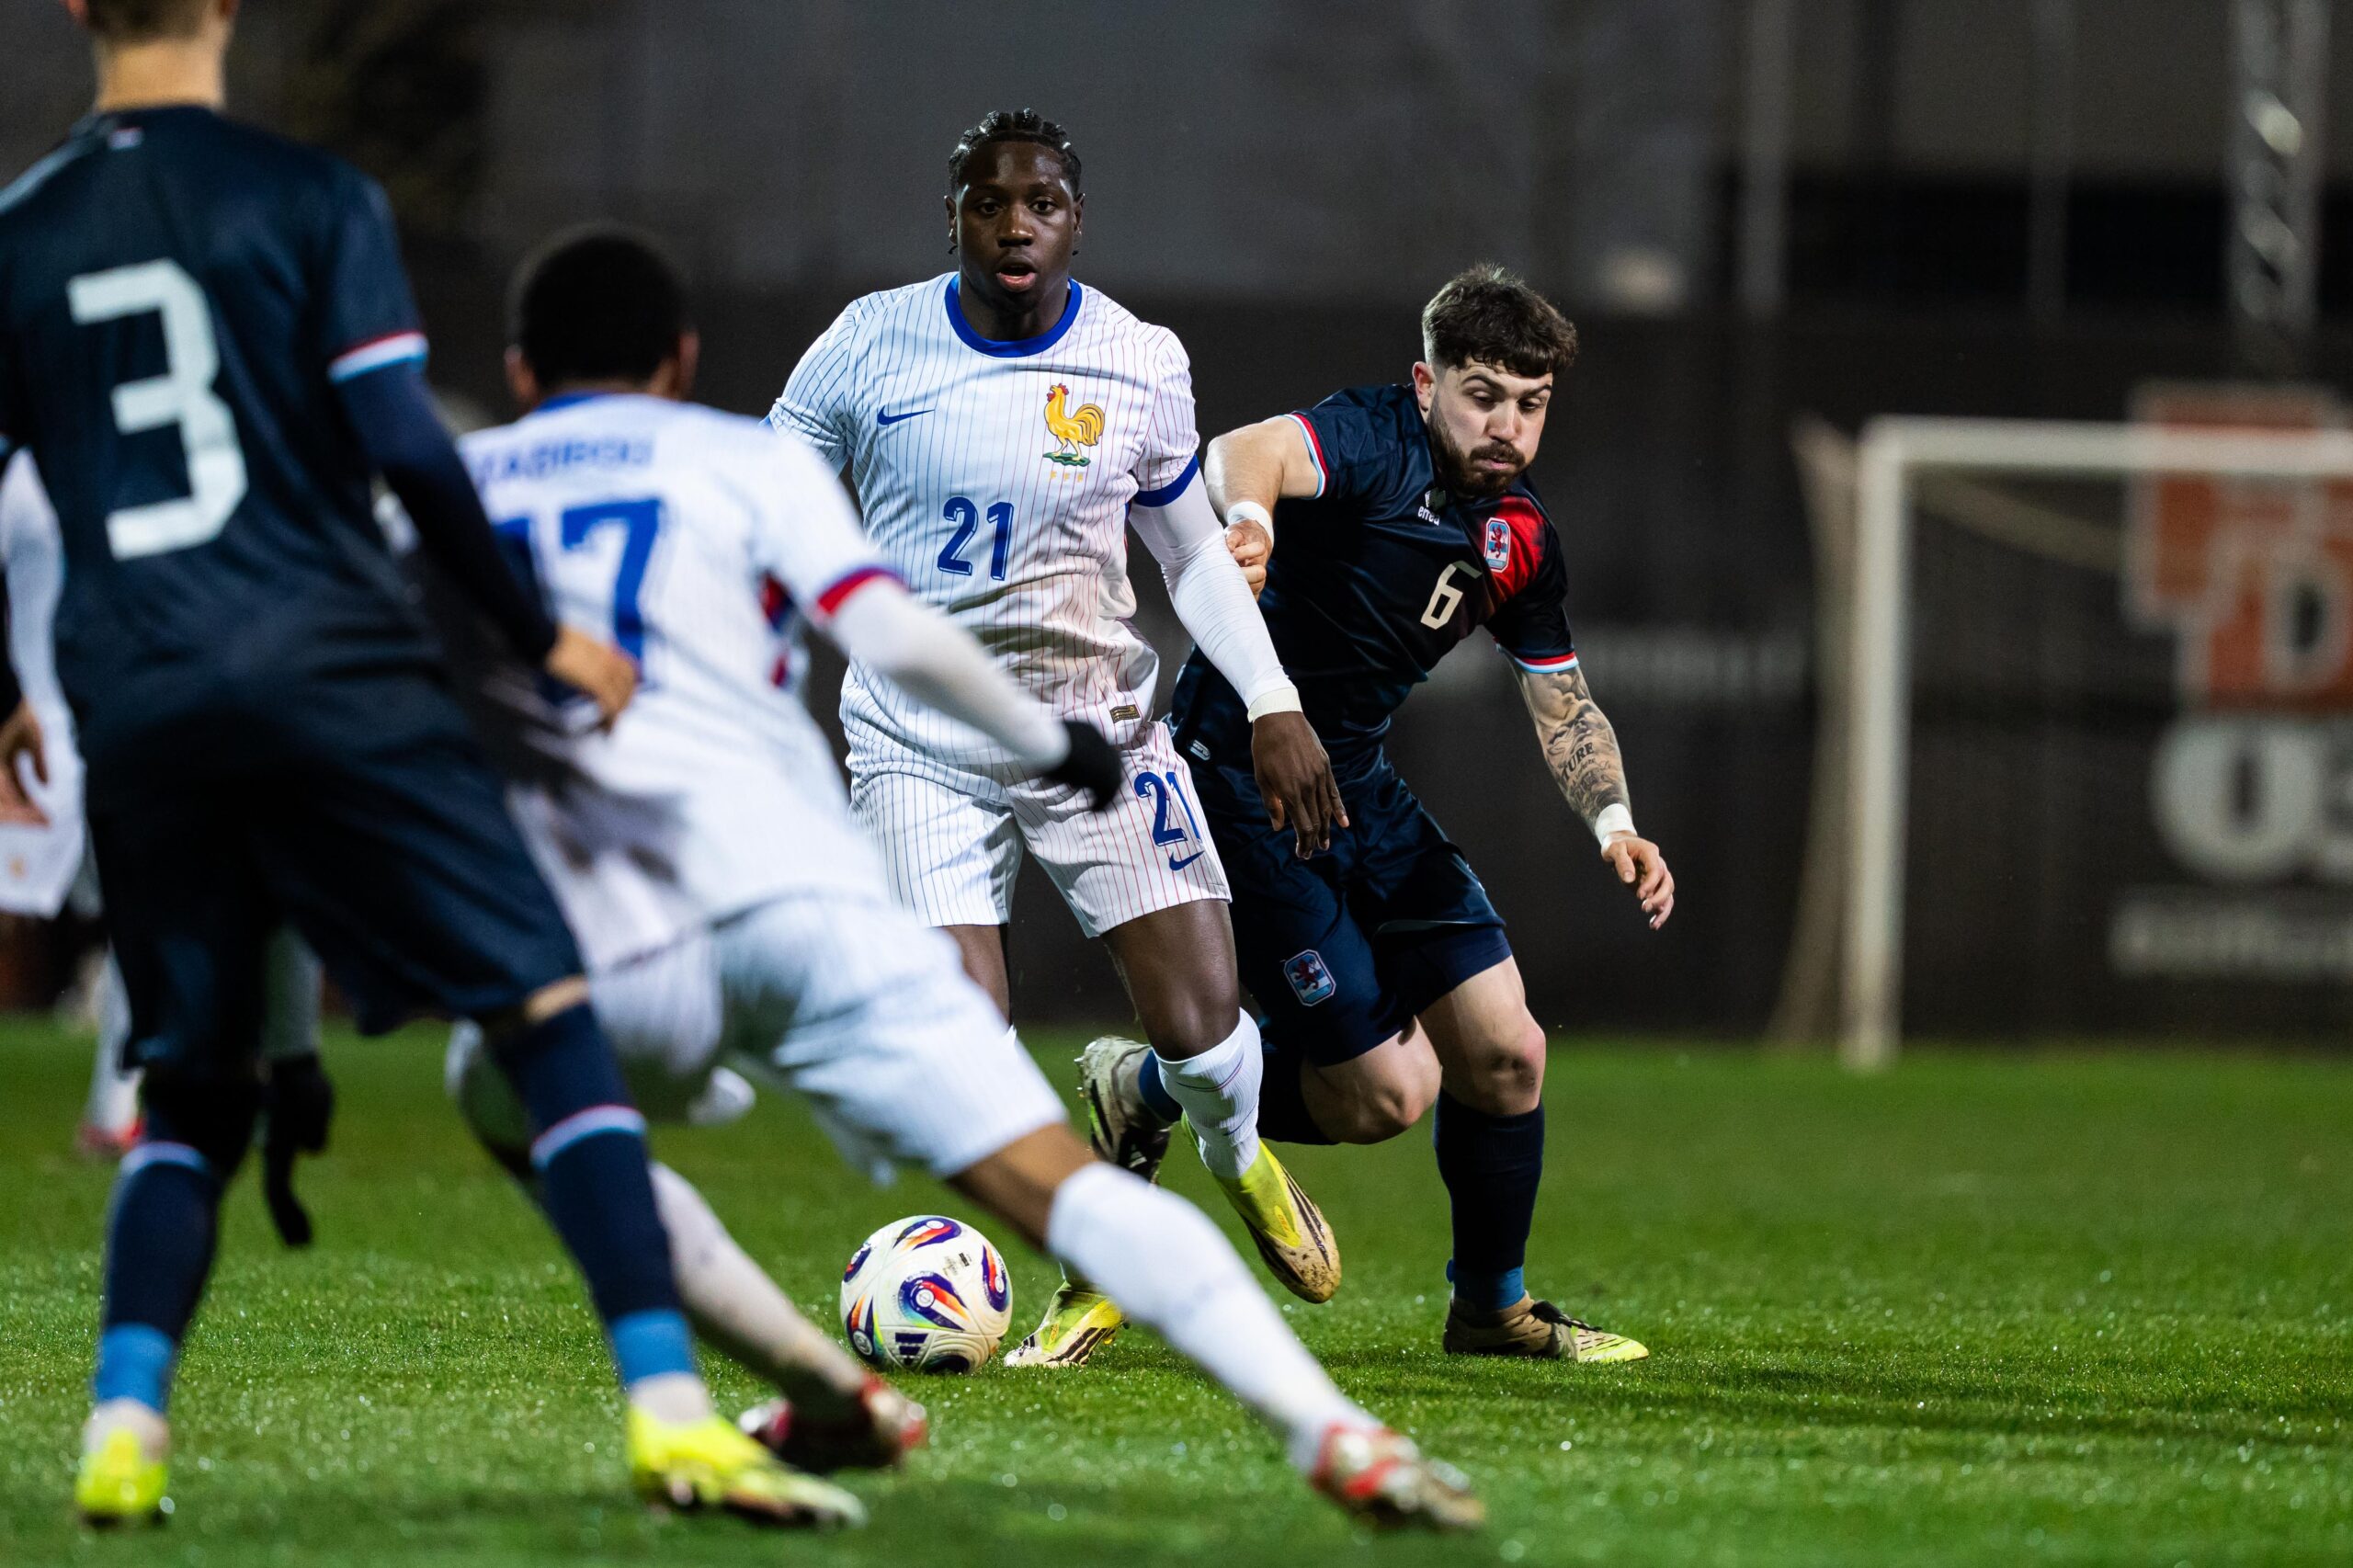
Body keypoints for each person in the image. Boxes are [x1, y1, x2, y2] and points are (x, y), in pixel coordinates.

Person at [438, 227, 1483, 1530]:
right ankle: (1335, 1433)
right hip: (799, 893)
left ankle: (786, 1381)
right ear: (680, 360)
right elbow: (887, 629)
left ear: (519, 368)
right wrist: (1051, 739)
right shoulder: (746, 460)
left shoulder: (445, 486)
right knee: (1063, 1188)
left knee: (513, 1098)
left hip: (598, 936)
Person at [0, 0, 824, 1527]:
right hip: (335, 680)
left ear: (73, 9)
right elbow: (406, 442)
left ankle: (123, 1427)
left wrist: (10, 679)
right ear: (228, 7)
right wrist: (540, 637)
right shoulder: (309, 199)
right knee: (548, 1017)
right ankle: (668, 1410)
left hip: (145, 701)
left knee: (189, 1092)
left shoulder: (21, 227)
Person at [771, 111, 1347, 1363]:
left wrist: (1272, 701)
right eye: (989, 202)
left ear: (1076, 220)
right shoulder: (870, 343)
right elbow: (775, 500)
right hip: (919, 740)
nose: (1014, 223)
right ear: (956, 218)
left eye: (1040, 203)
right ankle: (1097, 1255)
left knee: (1202, 1027)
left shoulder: (1139, 361)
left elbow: (1191, 555)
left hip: (1098, 730)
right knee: (960, 1047)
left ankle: (1234, 1152)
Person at [1062, 265, 1671, 1365]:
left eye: (1530, 403)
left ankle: (1491, 1309)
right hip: (1237, 780)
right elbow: (1247, 446)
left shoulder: (1521, 534)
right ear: (1425, 381)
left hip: (1359, 787)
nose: (1505, 425)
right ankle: (1144, 1086)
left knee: (1506, 1052)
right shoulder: (1374, 437)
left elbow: (1562, 698)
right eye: (1481, 394)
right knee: (1386, 1095)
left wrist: (1614, 822)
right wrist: (1247, 520)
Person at [4, 448, 325, 1160]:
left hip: (87, 716)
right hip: (75, 718)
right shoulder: (115, 461)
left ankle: (117, 1108)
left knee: (150, 899)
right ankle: (250, 1071)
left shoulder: (77, 450)